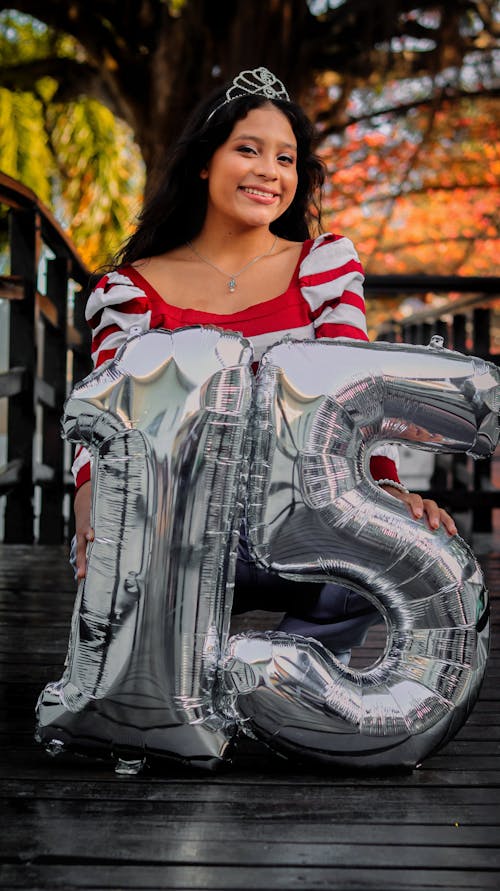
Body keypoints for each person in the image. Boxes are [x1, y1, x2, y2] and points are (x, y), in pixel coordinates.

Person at [73, 67, 456, 660]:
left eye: (286, 159)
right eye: (247, 150)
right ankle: (180, 680)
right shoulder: (130, 291)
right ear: (205, 162)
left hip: (297, 522)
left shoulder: (322, 268)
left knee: (392, 553)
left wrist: (387, 491)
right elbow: (109, 419)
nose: (268, 172)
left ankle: (269, 686)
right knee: (126, 590)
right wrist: (89, 495)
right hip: (177, 532)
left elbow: (357, 396)